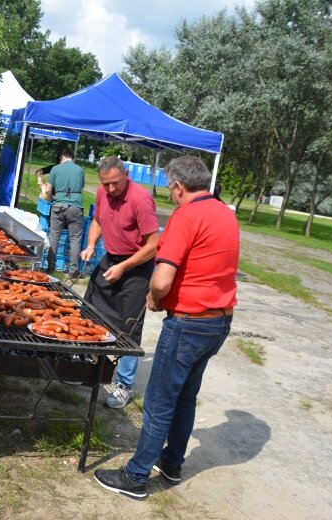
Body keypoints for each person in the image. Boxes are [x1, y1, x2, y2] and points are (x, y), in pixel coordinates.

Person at [94, 155, 239, 499]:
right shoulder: (225, 213)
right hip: (219, 322)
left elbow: (161, 278)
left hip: (188, 323)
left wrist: (155, 299)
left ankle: (136, 477)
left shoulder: (186, 215)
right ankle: (172, 463)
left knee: (159, 401)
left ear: (177, 186)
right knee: (185, 397)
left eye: (170, 188)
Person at [81, 156, 159, 408]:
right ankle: (89, 364)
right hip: (111, 258)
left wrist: (124, 266)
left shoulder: (140, 200)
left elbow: (153, 244)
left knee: (128, 327)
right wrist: (91, 245)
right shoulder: (104, 193)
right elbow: (97, 221)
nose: (111, 189)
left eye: (115, 182)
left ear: (126, 174)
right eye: (106, 184)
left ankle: (124, 385)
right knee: (90, 308)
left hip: (136, 267)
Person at [43, 147, 85, 279]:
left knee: (54, 237)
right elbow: (81, 188)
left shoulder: (55, 168)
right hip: (75, 207)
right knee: (75, 239)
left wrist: (51, 201)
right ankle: (73, 270)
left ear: (62, 157)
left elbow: (49, 190)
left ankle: (51, 267)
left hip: (58, 206)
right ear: (72, 158)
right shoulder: (80, 170)